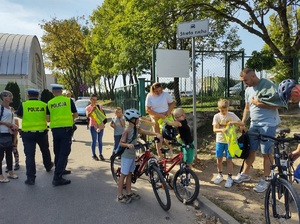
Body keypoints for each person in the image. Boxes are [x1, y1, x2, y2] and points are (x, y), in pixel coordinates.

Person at [233, 68, 282, 193]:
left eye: (246, 80)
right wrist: (243, 121)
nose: (245, 83)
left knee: (266, 152)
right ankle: (245, 174)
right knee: (251, 149)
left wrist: (260, 104)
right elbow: (247, 107)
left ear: (253, 76)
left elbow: (278, 104)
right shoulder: (248, 90)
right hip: (254, 124)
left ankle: (267, 178)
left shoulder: (268, 86)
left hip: (268, 124)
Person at [117, 108, 163, 203]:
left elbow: (145, 132)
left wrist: (156, 133)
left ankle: (129, 192)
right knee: (123, 175)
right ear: (132, 120)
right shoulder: (127, 130)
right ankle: (120, 195)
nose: (138, 120)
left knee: (130, 174)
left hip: (132, 155)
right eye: (137, 119)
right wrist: (127, 145)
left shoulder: (136, 128)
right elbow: (121, 143)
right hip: (126, 155)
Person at [16, 89, 54, 185]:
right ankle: (48, 166)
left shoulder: (23, 104)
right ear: (38, 96)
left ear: (28, 96)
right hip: (42, 133)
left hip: (28, 134)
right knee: (45, 150)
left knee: (29, 156)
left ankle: (30, 178)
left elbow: (19, 115)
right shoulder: (44, 105)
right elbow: (48, 118)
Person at [47, 84, 78, 186]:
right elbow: (76, 115)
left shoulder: (50, 103)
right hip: (66, 130)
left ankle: (61, 169)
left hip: (55, 130)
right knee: (64, 152)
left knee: (58, 151)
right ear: (61, 91)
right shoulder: (68, 101)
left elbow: (48, 119)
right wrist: (70, 120)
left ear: (53, 92)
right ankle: (57, 177)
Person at [212, 99, 244, 188]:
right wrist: (222, 130)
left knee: (229, 159)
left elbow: (241, 123)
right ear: (218, 108)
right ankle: (220, 174)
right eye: (222, 110)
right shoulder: (216, 116)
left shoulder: (232, 115)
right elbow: (214, 129)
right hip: (220, 140)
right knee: (219, 158)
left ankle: (230, 177)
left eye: (225, 110)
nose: (224, 112)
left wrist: (232, 122)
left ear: (228, 108)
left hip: (229, 141)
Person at [145, 82, 175, 158]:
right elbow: (148, 110)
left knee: (167, 134)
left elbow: (172, 103)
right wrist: (159, 115)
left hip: (165, 116)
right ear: (153, 90)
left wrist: (168, 112)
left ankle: (170, 150)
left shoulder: (165, 94)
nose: (158, 92)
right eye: (156, 91)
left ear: (162, 89)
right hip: (155, 116)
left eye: (160, 90)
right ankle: (160, 154)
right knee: (158, 136)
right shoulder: (149, 96)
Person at [0, 90, 19, 183]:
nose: (11, 97)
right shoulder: (0, 108)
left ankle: (10, 172)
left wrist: (13, 126)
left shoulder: (11, 109)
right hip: (1, 134)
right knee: (0, 155)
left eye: (11, 95)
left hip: (10, 133)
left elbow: (12, 121)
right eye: (9, 96)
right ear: (3, 98)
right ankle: (0, 175)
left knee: (9, 154)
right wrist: (6, 123)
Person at [86, 94, 106, 161]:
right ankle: (93, 154)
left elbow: (103, 115)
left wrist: (100, 110)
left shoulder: (99, 106)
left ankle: (100, 154)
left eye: (96, 99)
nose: (95, 101)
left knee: (100, 140)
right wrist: (92, 110)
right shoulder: (88, 107)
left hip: (100, 125)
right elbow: (88, 116)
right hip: (93, 125)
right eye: (93, 99)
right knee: (94, 140)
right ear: (90, 100)